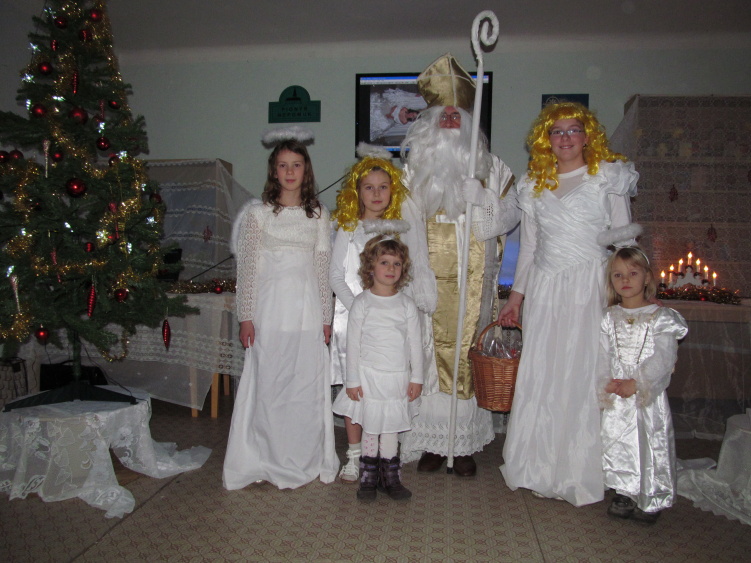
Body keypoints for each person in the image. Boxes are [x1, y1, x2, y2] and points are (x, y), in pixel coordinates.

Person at [498, 101, 639, 505]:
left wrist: (629, 296)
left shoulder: (607, 177)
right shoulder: (533, 185)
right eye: (556, 131)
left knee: (584, 370)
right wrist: (516, 298)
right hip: (545, 289)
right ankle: (537, 463)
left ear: (587, 135)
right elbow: (529, 248)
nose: (565, 138)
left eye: (573, 129)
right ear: (546, 139)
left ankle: (580, 468)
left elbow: (625, 241)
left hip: (591, 287)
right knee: (544, 370)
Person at [398, 53, 521, 477]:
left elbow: (511, 216)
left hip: (474, 284)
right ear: (429, 122)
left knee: (467, 353)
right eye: (443, 114)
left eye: (457, 114)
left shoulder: (493, 168)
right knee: (428, 355)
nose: (450, 120)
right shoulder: (413, 171)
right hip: (428, 282)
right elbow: (404, 225)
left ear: (469, 121)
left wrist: (483, 198)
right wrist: (417, 275)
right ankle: (432, 443)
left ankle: (461, 444)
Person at [223, 127, 338, 490]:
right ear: (274, 170)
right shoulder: (257, 215)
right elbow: (247, 269)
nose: (290, 172)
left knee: (303, 386)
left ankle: (304, 456)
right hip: (269, 312)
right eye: (283, 165)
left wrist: (326, 318)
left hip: (307, 313)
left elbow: (322, 268)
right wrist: (246, 316)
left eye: (297, 165)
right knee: (270, 385)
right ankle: (265, 456)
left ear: (306, 170)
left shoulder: (319, 214)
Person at [329, 145, 411, 483]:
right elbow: (336, 275)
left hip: (386, 323)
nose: (376, 194)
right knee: (356, 388)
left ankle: (382, 454)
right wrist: (361, 310)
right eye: (369, 187)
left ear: (392, 190)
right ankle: (354, 455)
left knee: (382, 386)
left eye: (383, 187)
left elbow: (401, 276)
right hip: (352, 316)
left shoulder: (396, 230)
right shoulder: (348, 227)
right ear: (357, 192)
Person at [599, 246, 688, 524]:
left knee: (650, 442)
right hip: (617, 393)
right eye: (618, 275)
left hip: (645, 395)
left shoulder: (661, 317)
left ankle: (652, 495)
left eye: (633, 273)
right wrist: (604, 379)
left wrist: (637, 382)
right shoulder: (607, 317)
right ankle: (624, 491)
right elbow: (600, 352)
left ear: (647, 277)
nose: (625, 280)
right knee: (617, 441)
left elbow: (664, 357)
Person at [332, 236, 423, 501]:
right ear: (371, 267)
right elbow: (353, 344)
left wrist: (417, 377)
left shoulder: (407, 304)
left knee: (391, 427)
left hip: (397, 378)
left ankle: (390, 477)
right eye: (384, 262)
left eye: (397, 263)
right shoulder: (362, 303)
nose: (391, 268)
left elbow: (415, 345)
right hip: (369, 377)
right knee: (371, 427)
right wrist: (352, 381)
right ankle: (368, 477)